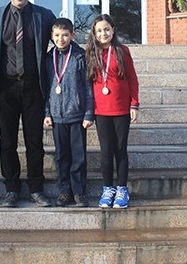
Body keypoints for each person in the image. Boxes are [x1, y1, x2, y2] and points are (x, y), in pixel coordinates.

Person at [0, 0, 56, 208]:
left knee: (34, 142)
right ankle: (11, 189)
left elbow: (61, 41)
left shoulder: (44, 16)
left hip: (34, 87)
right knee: (7, 141)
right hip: (6, 88)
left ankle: (36, 188)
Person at [85, 14, 139, 209]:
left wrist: (134, 104)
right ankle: (108, 189)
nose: (103, 33)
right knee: (106, 151)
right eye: (99, 30)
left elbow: (132, 78)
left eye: (107, 29)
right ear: (94, 33)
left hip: (121, 108)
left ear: (113, 30)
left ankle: (122, 189)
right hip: (101, 110)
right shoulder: (90, 53)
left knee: (120, 150)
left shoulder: (122, 51)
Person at [43, 18, 94, 207]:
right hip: (57, 116)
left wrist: (88, 113)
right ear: (52, 36)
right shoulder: (49, 58)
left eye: (65, 35)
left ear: (72, 35)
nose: (61, 39)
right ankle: (64, 191)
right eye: (57, 35)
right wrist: (47, 112)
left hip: (77, 115)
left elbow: (88, 87)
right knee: (61, 156)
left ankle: (79, 192)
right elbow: (46, 88)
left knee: (78, 157)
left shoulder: (81, 56)